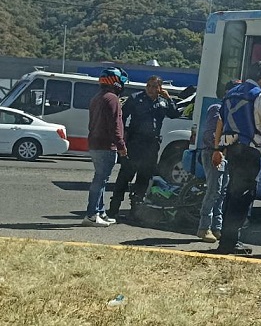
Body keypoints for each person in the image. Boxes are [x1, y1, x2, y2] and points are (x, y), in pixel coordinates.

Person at [212, 61, 261, 254]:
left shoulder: (231, 93)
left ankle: (227, 240)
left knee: (232, 192)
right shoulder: (259, 96)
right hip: (249, 152)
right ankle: (230, 243)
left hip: (232, 150)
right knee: (244, 195)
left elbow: (220, 123)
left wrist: (217, 149)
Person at [106, 75, 182, 219]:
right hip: (135, 143)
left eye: (155, 86)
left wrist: (168, 98)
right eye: (149, 86)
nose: (151, 89)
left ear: (160, 88)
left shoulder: (162, 102)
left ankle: (135, 211)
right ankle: (113, 209)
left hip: (151, 146)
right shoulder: (136, 98)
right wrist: (123, 135)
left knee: (143, 179)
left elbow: (175, 114)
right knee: (124, 177)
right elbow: (121, 117)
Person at [82, 67, 129, 227]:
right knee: (100, 180)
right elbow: (115, 126)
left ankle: (100, 212)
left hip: (94, 144)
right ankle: (91, 214)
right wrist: (121, 145)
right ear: (115, 81)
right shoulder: (112, 99)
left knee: (101, 178)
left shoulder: (97, 98)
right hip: (106, 146)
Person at [195, 79, 240, 243]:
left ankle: (217, 227)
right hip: (213, 153)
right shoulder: (217, 109)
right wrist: (219, 149)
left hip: (225, 155)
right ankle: (204, 227)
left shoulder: (232, 112)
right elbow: (210, 134)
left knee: (221, 193)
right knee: (213, 191)